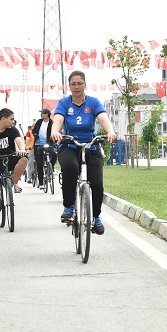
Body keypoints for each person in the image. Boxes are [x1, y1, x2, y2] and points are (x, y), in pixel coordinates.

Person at [50, 71, 117, 235]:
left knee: (97, 183)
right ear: (69, 86)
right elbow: (57, 119)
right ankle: (69, 206)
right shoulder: (64, 103)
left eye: (80, 83)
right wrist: (55, 132)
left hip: (90, 145)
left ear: (85, 84)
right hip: (69, 145)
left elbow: (102, 118)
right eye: (73, 84)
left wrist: (110, 132)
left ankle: (96, 217)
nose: (76, 87)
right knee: (71, 168)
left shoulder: (93, 102)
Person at [32, 108, 57, 190]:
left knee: (54, 154)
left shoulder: (51, 123)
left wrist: (53, 138)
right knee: (39, 163)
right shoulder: (39, 122)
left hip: (48, 144)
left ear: (47, 114)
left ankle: (51, 167)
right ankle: (41, 182)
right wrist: (36, 135)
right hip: (38, 144)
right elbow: (34, 131)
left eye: (43, 113)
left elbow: (55, 131)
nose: (41, 114)